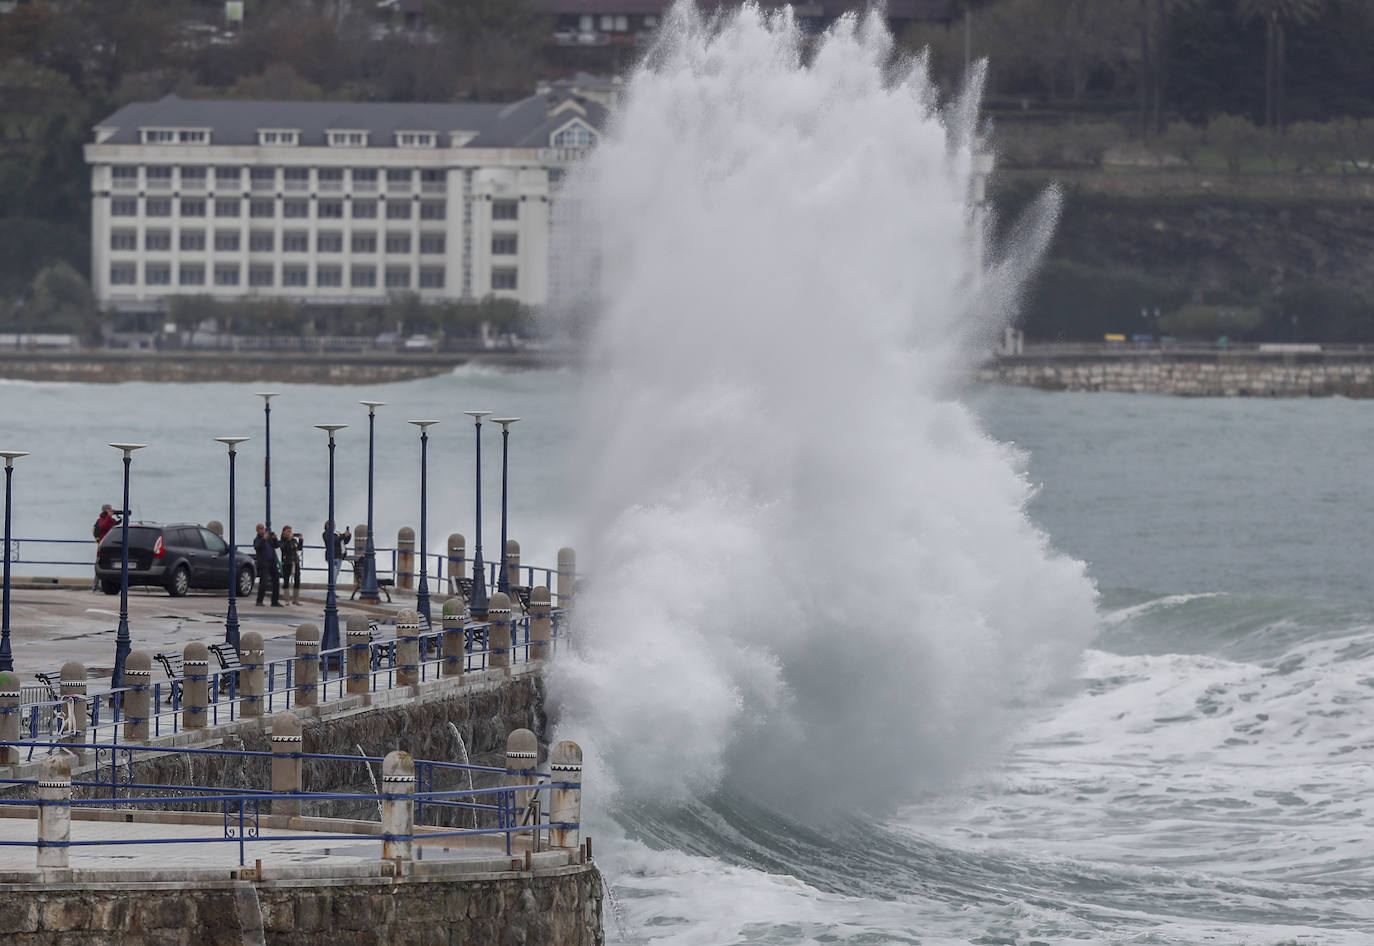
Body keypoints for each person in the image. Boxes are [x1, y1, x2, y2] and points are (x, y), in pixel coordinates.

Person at [91, 503, 120, 591]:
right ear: (105, 510)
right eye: (109, 509)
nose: (111, 510)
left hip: (111, 544)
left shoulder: (111, 520)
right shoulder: (101, 519)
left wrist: (120, 519)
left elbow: (115, 525)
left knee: (110, 565)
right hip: (103, 545)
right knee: (100, 564)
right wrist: (108, 516)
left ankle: (107, 584)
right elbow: (103, 526)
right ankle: (95, 585)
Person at [253, 522, 281, 607]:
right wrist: (264, 539)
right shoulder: (257, 539)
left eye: (263, 528)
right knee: (263, 582)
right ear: (257, 530)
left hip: (272, 562)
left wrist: (275, 538)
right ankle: (259, 600)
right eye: (261, 528)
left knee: (276, 581)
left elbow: (276, 546)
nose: (263, 530)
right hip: (263, 563)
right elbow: (257, 547)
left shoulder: (269, 539)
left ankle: (275, 601)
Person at [279, 524, 303, 605]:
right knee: (286, 580)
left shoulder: (294, 540)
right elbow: (284, 549)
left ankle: (296, 600)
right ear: (284, 532)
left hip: (295, 561)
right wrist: (288, 540)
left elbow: (299, 548)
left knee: (297, 579)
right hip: (286, 562)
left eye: (290, 531)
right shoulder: (282, 541)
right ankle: (287, 599)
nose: (290, 533)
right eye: (288, 531)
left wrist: (301, 540)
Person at [322, 520, 351, 586]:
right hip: (333, 556)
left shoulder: (336, 533)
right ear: (327, 525)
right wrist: (344, 535)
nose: (334, 525)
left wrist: (348, 535)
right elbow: (334, 540)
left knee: (336, 573)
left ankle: (332, 588)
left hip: (339, 556)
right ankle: (331, 588)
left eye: (334, 524)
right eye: (332, 524)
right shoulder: (326, 533)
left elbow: (344, 541)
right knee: (333, 574)